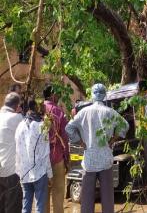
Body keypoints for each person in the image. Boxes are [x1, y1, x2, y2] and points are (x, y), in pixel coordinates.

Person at [66, 83, 129, 213]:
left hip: (89, 160)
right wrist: (113, 139)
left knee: (87, 199)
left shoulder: (83, 112)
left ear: (93, 96)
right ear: (104, 96)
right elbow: (125, 125)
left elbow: (69, 128)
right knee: (107, 198)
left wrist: (80, 141)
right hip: (106, 159)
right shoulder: (110, 112)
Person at [15, 99, 52, 213]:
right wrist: (50, 173)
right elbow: (46, 152)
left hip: (24, 172)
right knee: (40, 206)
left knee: (26, 205)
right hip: (39, 172)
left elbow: (17, 151)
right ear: (36, 107)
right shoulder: (42, 126)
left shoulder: (20, 126)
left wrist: (19, 171)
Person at [43, 84, 69, 213]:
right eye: (57, 94)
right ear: (53, 95)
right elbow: (65, 137)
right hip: (56, 158)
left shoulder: (38, 109)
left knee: (43, 197)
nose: (58, 96)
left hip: (41, 160)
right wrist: (67, 158)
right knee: (58, 195)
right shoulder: (58, 111)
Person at [0, 92, 23, 213]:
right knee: (13, 207)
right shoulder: (17, 118)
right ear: (17, 105)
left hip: (1, 168)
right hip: (12, 172)